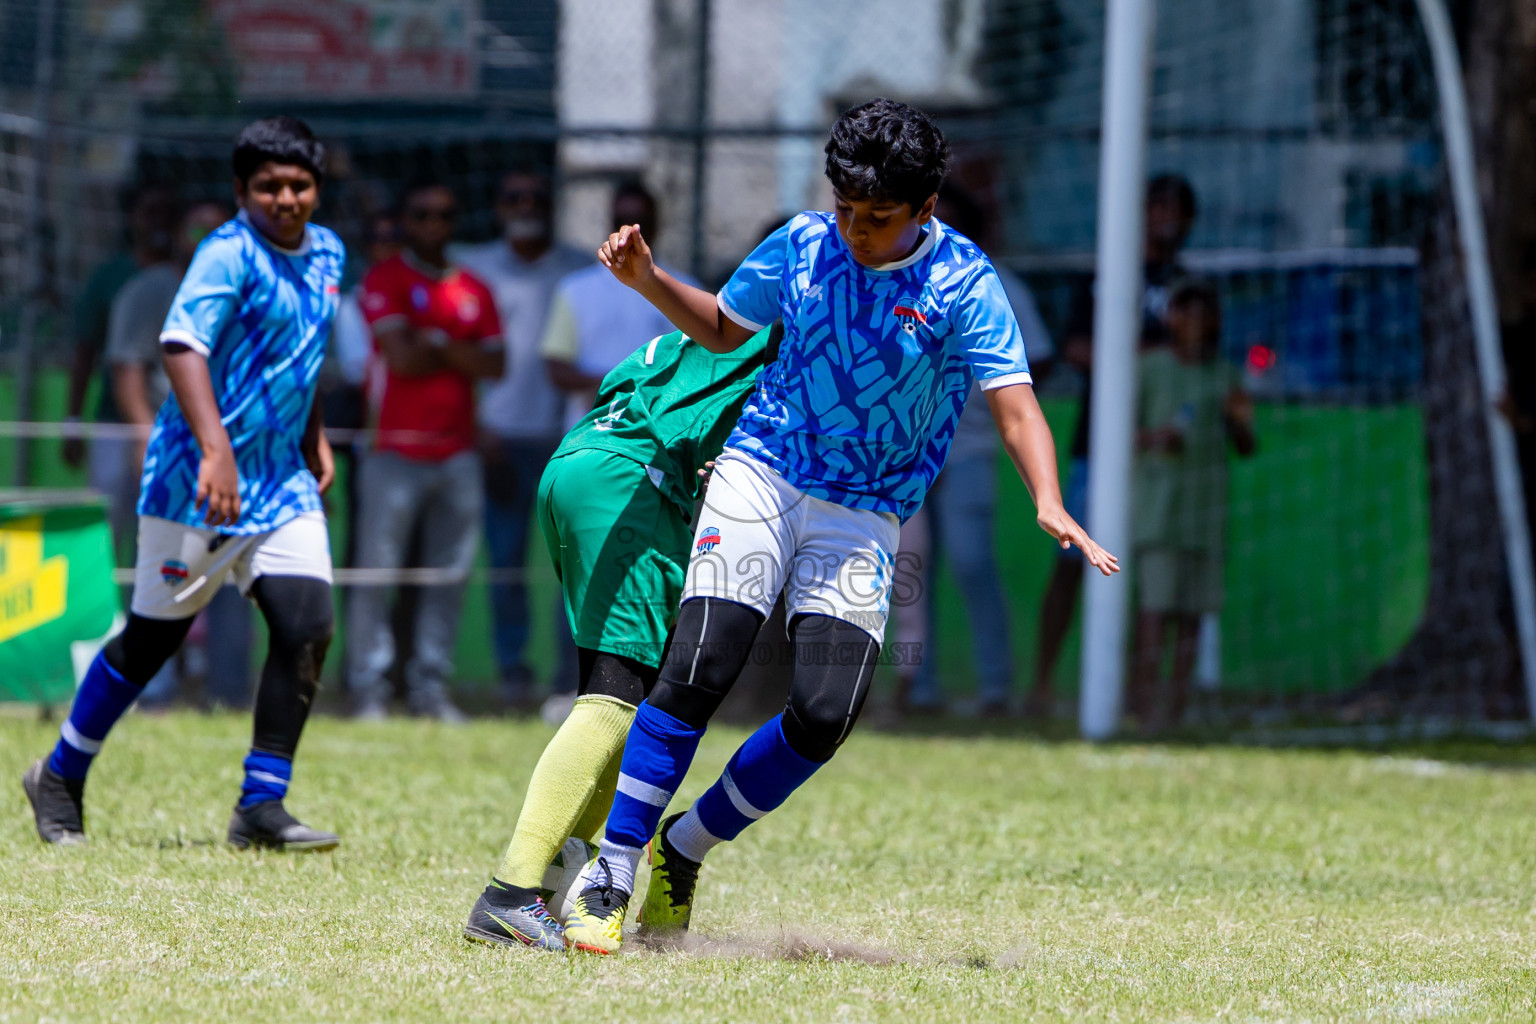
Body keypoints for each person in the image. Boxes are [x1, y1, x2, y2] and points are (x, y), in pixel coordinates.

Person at [559, 98, 1118, 954]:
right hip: (764, 473)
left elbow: (1015, 404)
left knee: (824, 714)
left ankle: (684, 847)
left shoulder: (964, 281)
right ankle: (614, 868)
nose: (856, 229)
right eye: (847, 209)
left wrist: (1046, 496)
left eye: (879, 216)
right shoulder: (801, 243)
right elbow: (720, 328)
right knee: (701, 662)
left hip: (864, 513)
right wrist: (648, 280)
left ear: (927, 208)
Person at [22, 116, 345, 850]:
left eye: (298, 185)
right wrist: (215, 450)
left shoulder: (328, 253)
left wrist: (314, 432)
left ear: (317, 191)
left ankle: (260, 807)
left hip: (280, 481)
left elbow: (305, 350)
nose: (285, 199)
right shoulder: (226, 253)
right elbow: (181, 344)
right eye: (268, 187)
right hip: (195, 480)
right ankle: (60, 774)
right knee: (151, 642)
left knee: (307, 624)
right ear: (241, 191)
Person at [463, 323, 777, 952]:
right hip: (634, 483)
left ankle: (551, 887)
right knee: (614, 696)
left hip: (579, 463)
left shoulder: (706, 326)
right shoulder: (792, 335)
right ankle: (508, 895)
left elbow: (620, 387)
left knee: (619, 698)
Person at [1027, 173, 1197, 718]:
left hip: (1163, 455)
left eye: (1178, 211)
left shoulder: (1187, 287)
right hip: (1096, 447)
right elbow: (1075, 347)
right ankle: (1043, 684)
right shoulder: (1107, 276)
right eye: (1158, 208)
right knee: (1072, 564)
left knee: (1154, 571)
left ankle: (1143, 694)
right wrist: (1143, 354)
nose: (1166, 220)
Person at [892, 183, 1054, 715]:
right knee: (912, 570)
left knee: (971, 563)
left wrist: (998, 397)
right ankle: (919, 687)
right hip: (905, 455)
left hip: (970, 449)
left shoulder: (996, 285)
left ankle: (995, 688)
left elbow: (1040, 359)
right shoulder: (900, 280)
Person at [349, 181, 505, 721]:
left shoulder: (474, 289)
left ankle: (429, 687)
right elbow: (403, 361)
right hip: (392, 448)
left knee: (449, 576)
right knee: (377, 574)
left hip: (458, 451)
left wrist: (432, 341)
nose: (432, 223)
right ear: (407, 221)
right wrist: (451, 346)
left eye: (443, 213)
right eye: (421, 214)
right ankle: (369, 686)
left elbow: (495, 366)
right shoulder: (385, 278)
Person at [106, 199, 254, 710]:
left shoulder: (247, 289)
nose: (206, 237)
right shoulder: (150, 290)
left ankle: (229, 691)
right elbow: (128, 371)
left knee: (237, 570)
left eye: (218, 230)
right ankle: (152, 689)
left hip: (234, 458)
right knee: (162, 575)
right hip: (171, 455)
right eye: (197, 227)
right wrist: (146, 444)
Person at [456, 170, 591, 705]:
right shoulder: (472, 267)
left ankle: (567, 677)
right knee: (506, 560)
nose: (525, 204)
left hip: (567, 440)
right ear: (498, 206)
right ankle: (513, 670)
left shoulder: (580, 269)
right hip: (498, 438)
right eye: (514, 196)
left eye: (534, 197)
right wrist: (477, 424)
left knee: (570, 563)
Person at [1129, 279, 1254, 732]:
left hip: (1205, 512)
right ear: (1171, 319)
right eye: (1187, 313)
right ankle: (1144, 708)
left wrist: (1239, 421)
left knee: (1192, 618)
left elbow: (1247, 445)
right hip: (1160, 511)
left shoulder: (1224, 375)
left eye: (1205, 315)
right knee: (1155, 611)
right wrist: (1154, 439)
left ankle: (1175, 710)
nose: (1196, 324)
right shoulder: (1149, 369)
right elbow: (1118, 435)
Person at [66, 183, 180, 558]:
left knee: (165, 539)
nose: (158, 222)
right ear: (133, 219)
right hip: (116, 425)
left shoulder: (194, 280)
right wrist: (72, 420)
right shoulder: (111, 277)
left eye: (167, 213)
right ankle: (108, 615)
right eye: (150, 212)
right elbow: (85, 350)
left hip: (178, 429)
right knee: (109, 527)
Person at [541, 181, 701, 428]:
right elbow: (556, 367)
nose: (631, 233)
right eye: (622, 221)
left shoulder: (686, 288)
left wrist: (635, 390)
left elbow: (698, 364)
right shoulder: (574, 289)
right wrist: (612, 387)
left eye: (640, 222)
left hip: (659, 431)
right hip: (589, 433)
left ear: (656, 226)